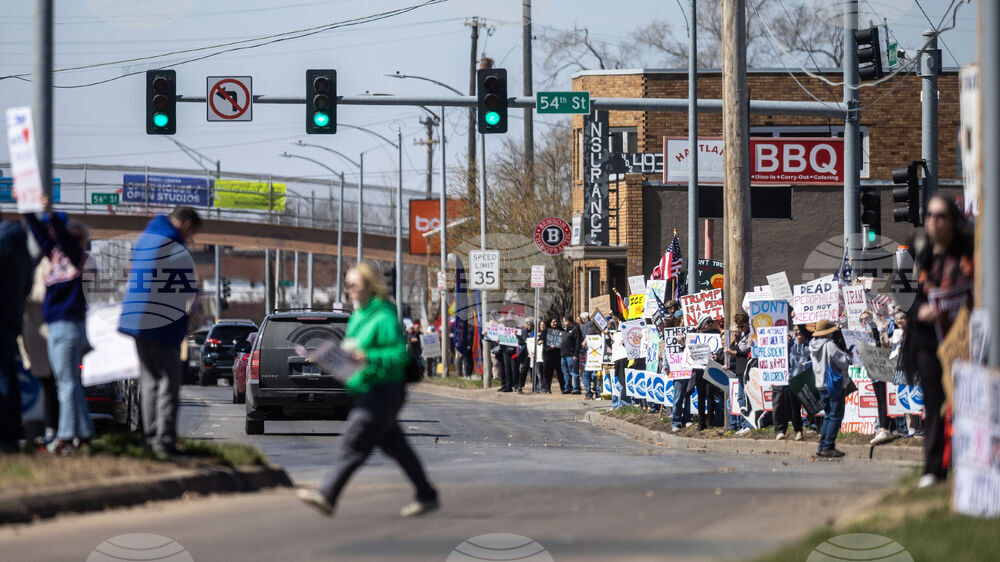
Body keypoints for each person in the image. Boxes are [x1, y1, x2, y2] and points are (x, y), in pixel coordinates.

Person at [298, 263, 438, 518]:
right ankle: (426, 494)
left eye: (353, 285)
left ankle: (328, 494)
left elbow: (398, 353)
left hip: (384, 389)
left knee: (354, 440)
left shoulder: (383, 316)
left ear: (370, 286)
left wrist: (367, 355)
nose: (348, 289)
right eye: (346, 285)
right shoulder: (358, 315)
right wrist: (334, 360)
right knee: (397, 447)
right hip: (367, 388)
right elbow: (352, 351)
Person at [118, 206, 202, 458]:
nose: (189, 238)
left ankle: (149, 439)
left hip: (136, 320)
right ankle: (163, 442)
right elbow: (184, 287)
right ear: (186, 224)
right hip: (160, 321)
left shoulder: (147, 237)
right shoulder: (173, 243)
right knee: (167, 382)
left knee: (149, 381)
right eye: (191, 233)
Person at [907, 195, 974, 488]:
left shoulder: (968, 251)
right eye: (930, 216)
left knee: (966, 402)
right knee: (935, 403)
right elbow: (905, 293)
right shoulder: (918, 250)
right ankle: (934, 469)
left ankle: (969, 462)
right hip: (927, 340)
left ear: (953, 220)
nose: (934, 222)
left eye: (941, 216)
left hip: (963, 339)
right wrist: (920, 309)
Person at [23, 208, 93, 454]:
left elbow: (61, 238)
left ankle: (64, 436)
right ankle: (84, 434)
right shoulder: (54, 256)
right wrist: (28, 210)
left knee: (65, 384)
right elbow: (41, 234)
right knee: (69, 382)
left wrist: (53, 217)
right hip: (56, 326)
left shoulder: (78, 257)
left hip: (69, 325)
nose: (59, 237)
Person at [0, 216, 33, 453]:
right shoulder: (21, 248)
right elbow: (28, 287)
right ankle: (9, 436)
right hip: (11, 317)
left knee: (4, 375)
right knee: (7, 372)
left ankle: (6, 437)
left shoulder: (4, 243)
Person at [809, 319, 851, 458]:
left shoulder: (812, 345)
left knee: (828, 415)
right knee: (835, 415)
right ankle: (828, 446)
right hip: (832, 383)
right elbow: (842, 361)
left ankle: (822, 445)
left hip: (820, 384)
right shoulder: (829, 345)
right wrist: (848, 356)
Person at [774, 324, 809, 441]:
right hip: (792, 380)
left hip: (806, 379)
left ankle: (816, 428)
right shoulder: (789, 346)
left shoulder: (810, 345)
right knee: (794, 408)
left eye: (799, 330)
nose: (797, 332)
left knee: (812, 405)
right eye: (795, 330)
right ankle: (798, 430)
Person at [725, 311, 753, 435]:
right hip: (740, 370)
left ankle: (748, 424)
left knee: (746, 398)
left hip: (749, 369)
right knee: (740, 398)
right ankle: (743, 424)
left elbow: (746, 350)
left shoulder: (751, 335)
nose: (740, 328)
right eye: (738, 326)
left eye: (742, 326)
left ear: (747, 323)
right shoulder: (742, 335)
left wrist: (734, 352)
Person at [559, 315, 582, 394]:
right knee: (565, 372)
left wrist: (576, 354)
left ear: (569, 321)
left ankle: (576, 388)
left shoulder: (576, 328)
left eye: (565, 321)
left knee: (574, 372)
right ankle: (567, 387)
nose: (564, 323)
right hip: (563, 355)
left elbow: (578, 342)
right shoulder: (565, 330)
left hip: (571, 355)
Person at [578, 312, 598, 399]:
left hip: (589, 353)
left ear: (583, 319)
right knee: (594, 374)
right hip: (596, 354)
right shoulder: (595, 326)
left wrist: (585, 341)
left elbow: (586, 338)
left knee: (586, 374)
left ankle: (589, 393)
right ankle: (597, 392)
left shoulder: (585, 327)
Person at [541, 318, 561, 394]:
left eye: (556, 322)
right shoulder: (545, 331)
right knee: (548, 372)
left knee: (560, 372)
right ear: (550, 323)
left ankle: (563, 388)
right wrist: (541, 341)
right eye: (553, 322)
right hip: (547, 354)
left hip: (557, 354)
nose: (554, 323)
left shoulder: (560, 330)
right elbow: (541, 339)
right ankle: (547, 388)